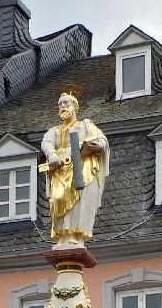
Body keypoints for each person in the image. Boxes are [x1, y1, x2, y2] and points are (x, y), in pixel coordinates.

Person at [40, 90, 110, 247]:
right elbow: (46, 142)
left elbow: (101, 139)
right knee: (58, 198)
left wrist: (98, 146)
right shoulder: (55, 130)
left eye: (66, 103)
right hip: (60, 169)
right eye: (60, 104)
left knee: (79, 201)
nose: (62, 106)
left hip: (81, 168)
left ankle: (75, 235)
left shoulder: (85, 125)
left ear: (75, 106)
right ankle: (61, 235)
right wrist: (52, 154)